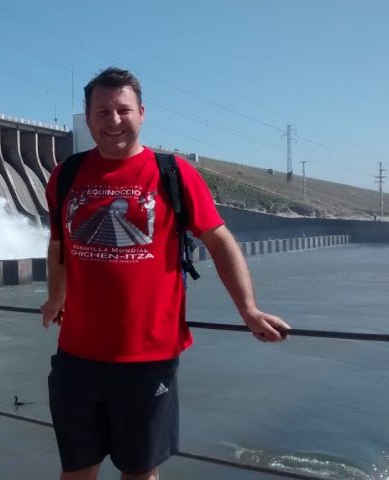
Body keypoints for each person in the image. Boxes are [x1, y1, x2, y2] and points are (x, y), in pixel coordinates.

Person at [40, 67, 290, 480]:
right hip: (77, 356)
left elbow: (219, 240)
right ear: (87, 118)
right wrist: (55, 298)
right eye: (102, 111)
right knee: (76, 470)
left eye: (123, 109)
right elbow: (58, 246)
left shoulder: (173, 172)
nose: (113, 120)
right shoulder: (64, 175)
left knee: (140, 472)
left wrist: (248, 309)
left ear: (141, 113)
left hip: (148, 357)